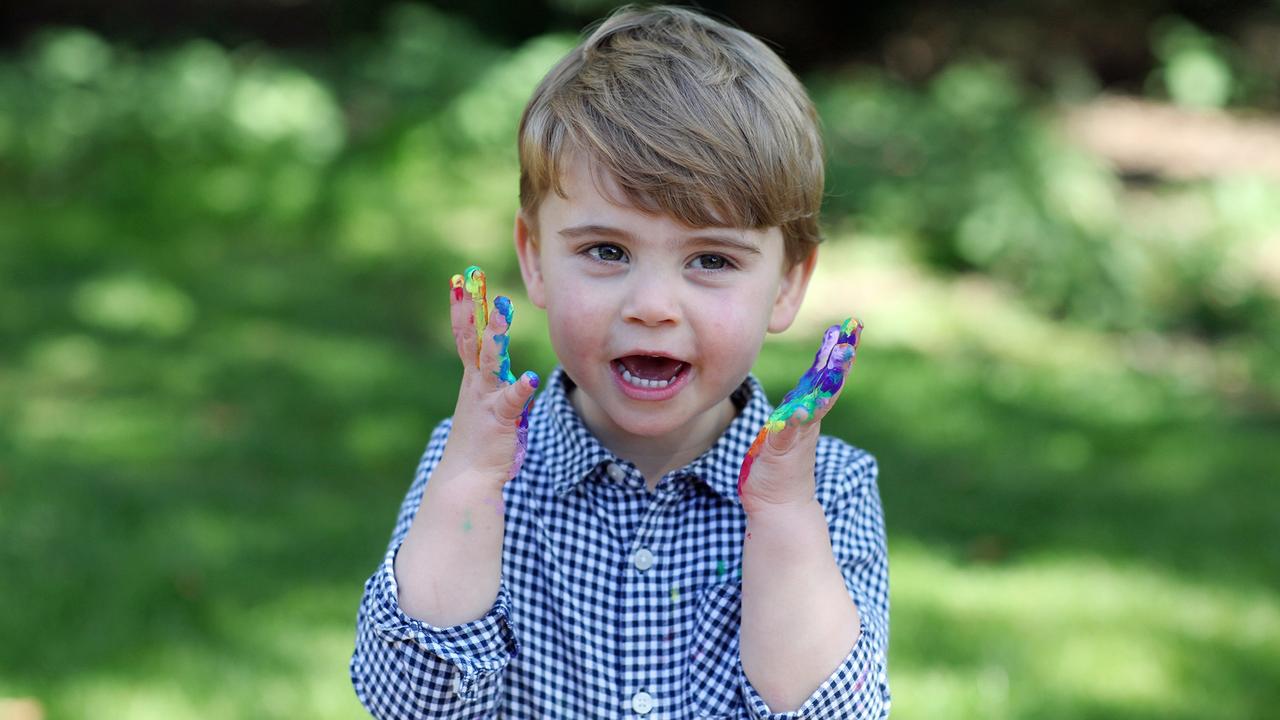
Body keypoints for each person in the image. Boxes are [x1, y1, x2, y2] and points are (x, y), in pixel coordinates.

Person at [349, 5, 890, 718]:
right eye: (607, 251)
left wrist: (783, 515)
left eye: (711, 259)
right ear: (534, 258)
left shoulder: (831, 488)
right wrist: (472, 482)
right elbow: (408, 704)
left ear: (788, 282)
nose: (653, 305)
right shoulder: (479, 464)